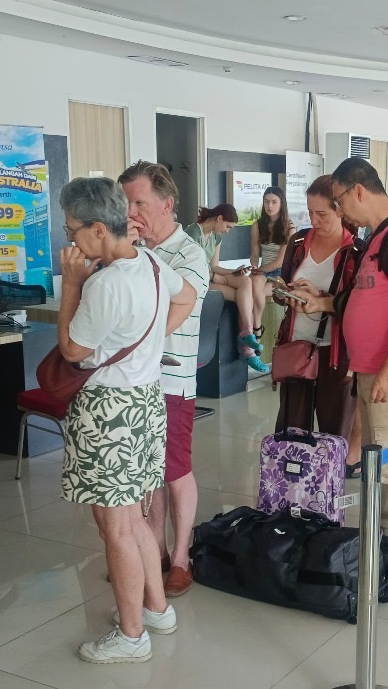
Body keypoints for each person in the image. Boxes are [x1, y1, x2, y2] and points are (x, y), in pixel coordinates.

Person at [55, 176, 196, 664]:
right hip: (144, 404)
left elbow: (74, 349)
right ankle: (156, 608)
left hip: (107, 413)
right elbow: (188, 298)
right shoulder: (153, 263)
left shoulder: (106, 283)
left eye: (72, 230)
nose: (69, 239)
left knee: (114, 527)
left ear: (98, 229)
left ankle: (132, 636)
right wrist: (154, 339)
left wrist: (72, 283)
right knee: (133, 517)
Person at [290, 157, 388, 586]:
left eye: (337, 201)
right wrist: (325, 301)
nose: (338, 210)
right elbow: (366, 302)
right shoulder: (377, 239)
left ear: (357, 191)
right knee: (381, 461)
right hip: (371, 372)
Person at [119, 161, 211, 599]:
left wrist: (138, 255)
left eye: (139, 202)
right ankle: (153, 552)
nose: (132, 212)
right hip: (134, 382)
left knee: (174, 471)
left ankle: (181, 557)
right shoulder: (130, 249)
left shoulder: (189, 254)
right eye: (127, 204)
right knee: (147, 478)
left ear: (166, 203)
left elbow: (169, 313)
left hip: (172, 381)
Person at [272, 175, 361, 443]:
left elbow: (358, 305)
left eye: (322, 214)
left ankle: (330, 486)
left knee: (332, 437)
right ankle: (290, 485)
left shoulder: (356, 251)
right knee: (290, 432)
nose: (314, 221)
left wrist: (321, 298)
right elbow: (284, 287)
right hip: (296, 348)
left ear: (341, 211)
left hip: (335, 354)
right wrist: (284, 294)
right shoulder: (299, 243)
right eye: (310, 212)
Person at [214, 187, 291, 374]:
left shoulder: (289, 226)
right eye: (266, 202)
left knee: (254, 288)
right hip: (263, 270)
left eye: (274, 202)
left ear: (281, 204)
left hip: (281, 272)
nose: (269, 206)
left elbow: (280, 261)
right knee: (253, 285)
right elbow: (255, 254)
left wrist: (259, 270)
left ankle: (256, 336)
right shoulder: (258, 225)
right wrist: (254, 267)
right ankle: (254, 332)